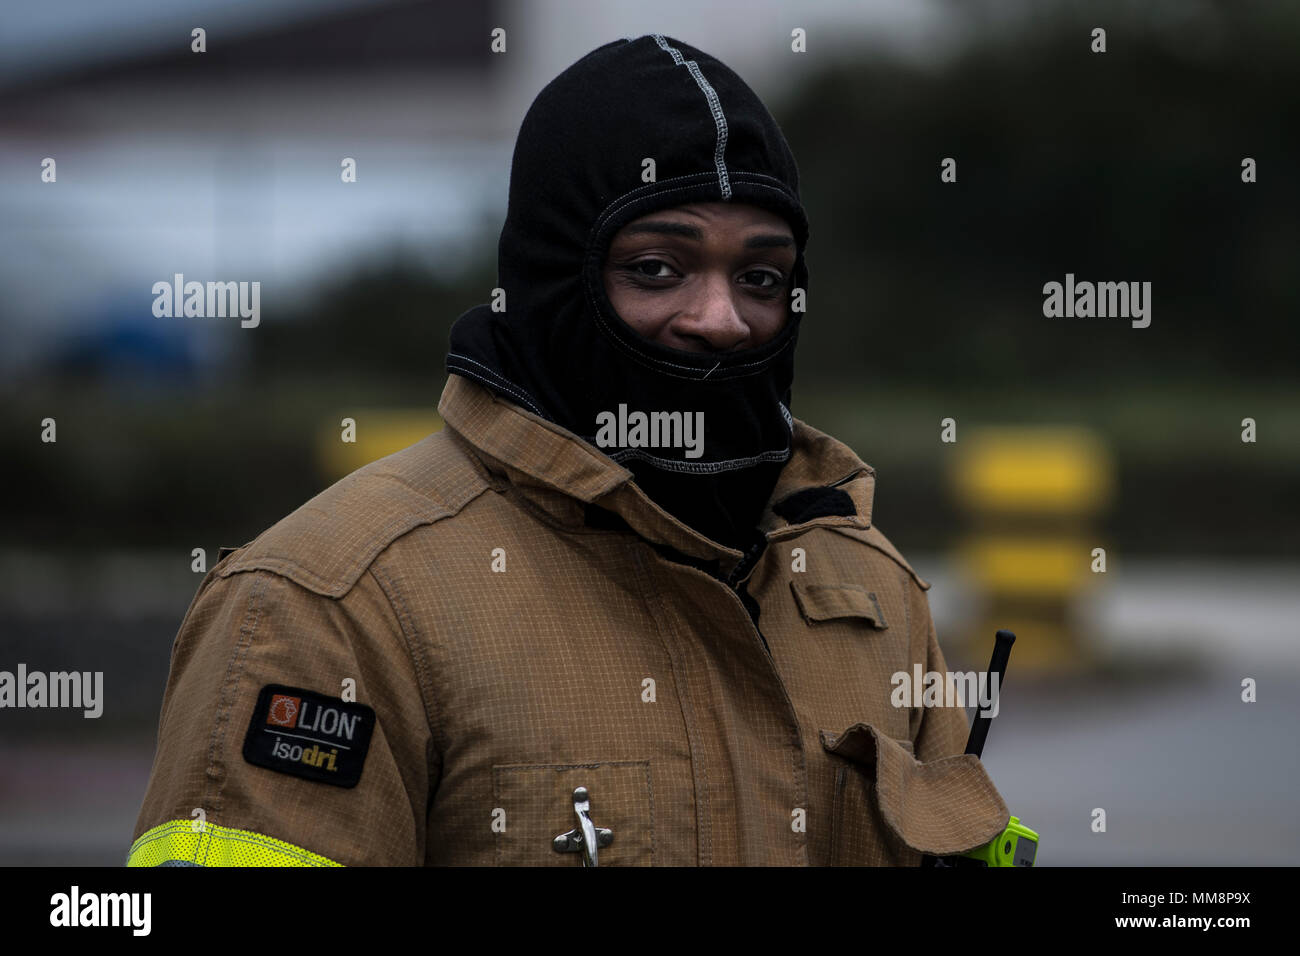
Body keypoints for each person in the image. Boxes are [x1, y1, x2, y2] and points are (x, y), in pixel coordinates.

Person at [127, 34, 1009, 867]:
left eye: (761, 277)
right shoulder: (329, 607)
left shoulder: (871, 590)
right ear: (554, 284)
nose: (721, 318)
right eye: (657, 268)